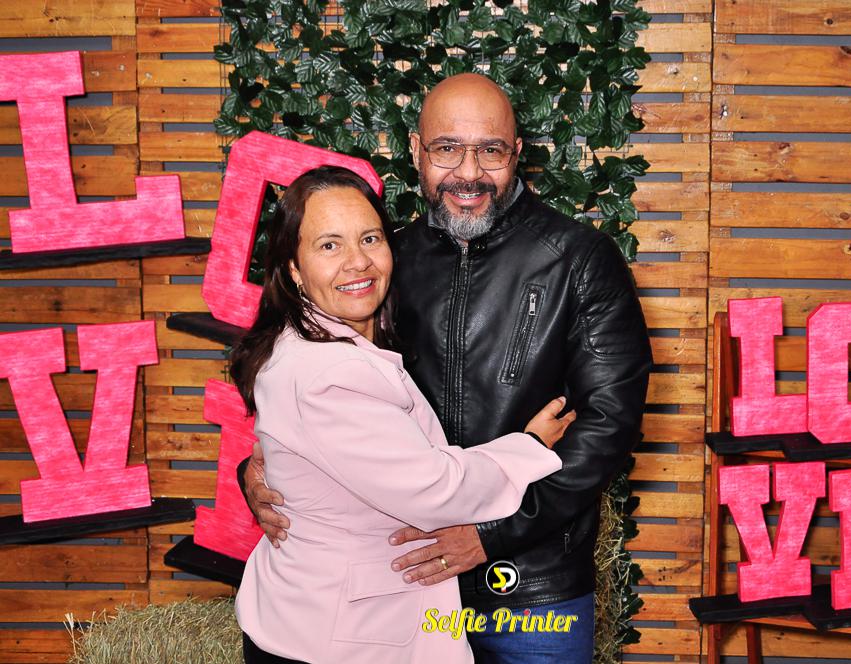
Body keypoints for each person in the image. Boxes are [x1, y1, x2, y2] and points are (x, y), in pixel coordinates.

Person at [241, 73, 653, 664]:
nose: (469, 172)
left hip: (530, 587)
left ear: (517, 152)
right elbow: (317, 396)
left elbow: (609, 422)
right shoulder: (381, 260)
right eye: (447, 149)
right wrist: (262, 473)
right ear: (416, 151)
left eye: (490, 151)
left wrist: (491, 536)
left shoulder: (579, 260)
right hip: (403, 585)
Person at [228, 165, 575, 664]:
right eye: (329, 245)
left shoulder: (311, 338)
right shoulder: (328, 372)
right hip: (338, 640)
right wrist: (530, 448)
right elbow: (434, 490)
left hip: (315, 618)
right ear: (294, 269)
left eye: (369, 238)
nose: (357, 262)